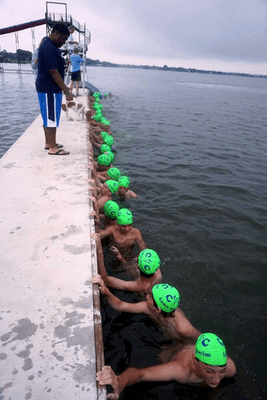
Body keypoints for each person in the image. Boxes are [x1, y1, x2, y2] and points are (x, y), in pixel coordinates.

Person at [96, 332, 236, 398]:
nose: (217, 379)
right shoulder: (180, 370)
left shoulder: (229, 368)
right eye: (209, 371)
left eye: (221, 371)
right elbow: (141, 374)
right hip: (172, 351)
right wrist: (121, 381)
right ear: (195, 361)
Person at [92, 275, 200, 340]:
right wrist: (106, 291)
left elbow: (197, 339)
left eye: (150, 297)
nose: (147, 296)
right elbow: (120, 305)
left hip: (178, 339)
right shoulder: (147, 307)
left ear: (158, 309)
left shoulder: (184, 328)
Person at [35, 23, 73, 155]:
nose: (63, 42)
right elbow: (53, 71)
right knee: (51, 116)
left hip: (46, 87)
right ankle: (52, 148)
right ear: (56, 33)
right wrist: (66, 90)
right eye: (63, 39)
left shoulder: (48, 45)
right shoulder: (49, 48)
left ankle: (49, 142)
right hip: (49, 88)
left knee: (48, 116)